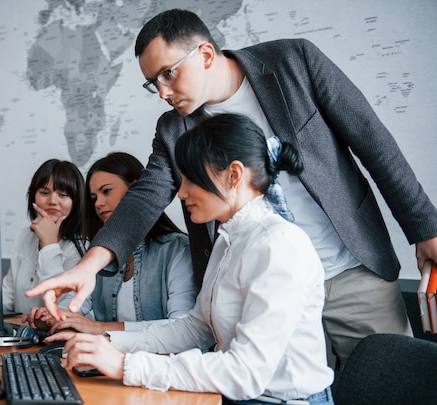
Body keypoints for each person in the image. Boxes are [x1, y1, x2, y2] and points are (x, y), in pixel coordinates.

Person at [28, 9, 437, 369]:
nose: (164, 92)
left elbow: (373, 141)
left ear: (205, 54)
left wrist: (425, 228)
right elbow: (145, 197)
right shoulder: (173, 129)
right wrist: (87, 267)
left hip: (352, 270)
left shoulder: (295, 61)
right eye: (153, 83)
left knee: (390, 387)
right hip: (261, 294)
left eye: (169, 73)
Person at [47, 113, 337, 405]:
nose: (181, 193)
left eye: (189, 179)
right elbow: (195, 328)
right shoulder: (228, 240)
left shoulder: (278, 246)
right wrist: (105, 342)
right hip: (235, 403)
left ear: (233, 175)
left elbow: (244, 373)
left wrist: (125, 365)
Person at [29, 152, 196, 334]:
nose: (99, 203)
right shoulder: (98, 255)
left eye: (106, 191)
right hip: (109, 358)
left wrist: (100, 328)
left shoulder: (177, 250)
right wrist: (53, 317)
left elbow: (181, 327)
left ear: (138, 191)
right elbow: (73, 307)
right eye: (94, 198)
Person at [2, 159, 86, 314]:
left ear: (77, 201)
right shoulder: (24, 235)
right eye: (44, 193)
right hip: (23, 332)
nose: (53, 201)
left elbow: (62, 309)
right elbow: (6, 299)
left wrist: (49, 244)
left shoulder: (84, 246)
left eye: (63, 194)